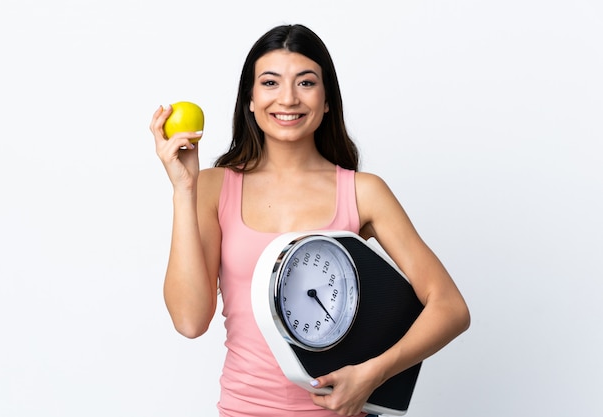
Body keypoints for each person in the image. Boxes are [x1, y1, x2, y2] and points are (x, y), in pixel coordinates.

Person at [149, 24, 470, 417]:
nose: (288, 98)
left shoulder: (363, 192)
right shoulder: (214, 187)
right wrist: (184, 190)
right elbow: (189, 320)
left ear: (327, 99)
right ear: (249, 99)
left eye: (305, 82)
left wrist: (373, 375)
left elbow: (450, 307)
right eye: (270, 82)